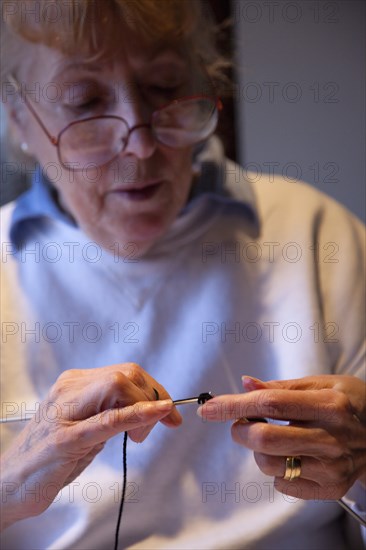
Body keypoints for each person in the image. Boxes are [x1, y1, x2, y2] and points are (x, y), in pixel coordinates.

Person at [0, 1, 365, 548]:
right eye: (85, 101)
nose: (142, 144)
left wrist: (362, 463)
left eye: (164, 87)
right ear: (18, 118)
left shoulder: (316, 233)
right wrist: (9, 490)